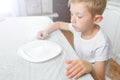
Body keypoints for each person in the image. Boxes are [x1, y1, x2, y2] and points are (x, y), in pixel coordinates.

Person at [37, 0, 111, 80]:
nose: (72, 20)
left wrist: (90, 67)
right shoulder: (78, 27)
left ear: (96, 19)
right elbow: (58, 24)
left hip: (93, 73)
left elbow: (100, 78)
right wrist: (45, 31)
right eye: (72, 14)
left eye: (79, 16)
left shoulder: (102, 43)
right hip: (80, 66)